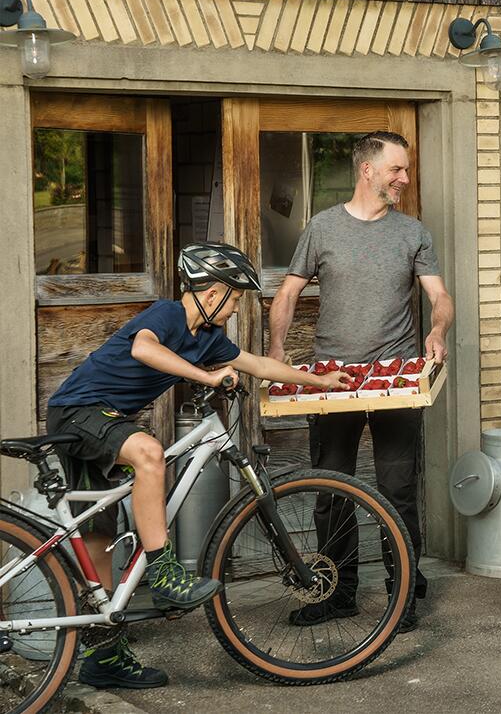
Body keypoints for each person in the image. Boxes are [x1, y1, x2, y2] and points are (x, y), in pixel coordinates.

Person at [46, 242, 349, 689]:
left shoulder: (207, 338)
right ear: (213, 295)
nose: (234, 310)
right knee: (149, 452)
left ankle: (103, 656)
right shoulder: (167, 315)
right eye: (235, 300)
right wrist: (207, 377)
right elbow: (143, 350)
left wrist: (318, 379)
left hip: (100, 419)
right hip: (80, 412)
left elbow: (259, 364)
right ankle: (165, 572)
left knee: (100, 539)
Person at [268, 130, 454, 632]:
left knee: (398, 491)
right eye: (397, 169)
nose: (405, 179)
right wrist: (278, 352)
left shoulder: (412, 232)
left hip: (396, 378)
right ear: (367, 170)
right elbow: (286, 294)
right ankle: (338, 593)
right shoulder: (322, 228)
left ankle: (404, 594)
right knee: (331, 492)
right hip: (332, 378)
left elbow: (439, 295)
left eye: (407, 170)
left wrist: (437, 329)